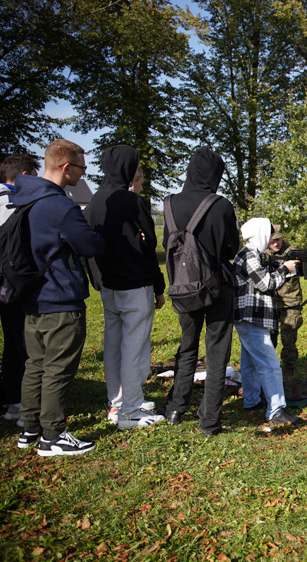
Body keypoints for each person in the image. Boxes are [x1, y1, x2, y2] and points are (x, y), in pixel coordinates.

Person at [15, 139, 105, 456]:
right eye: (81, 167)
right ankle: (53, 435)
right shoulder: (60, 206)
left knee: (35, 366)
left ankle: (29, 429)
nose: (84, 173)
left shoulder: (25, 200)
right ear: (66, 167)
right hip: (60, 300)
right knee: (58, 369)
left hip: (33, 297)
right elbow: (90, 246)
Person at [86, 146, 166, 430]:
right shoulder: (129, 200)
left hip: (109, 284)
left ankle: (118, 403)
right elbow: (150, 244)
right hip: (134, 283)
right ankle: (131, 411)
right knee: (134, 348)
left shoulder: (96, 200)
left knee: (114, 347)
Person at [160, 146, 238, 436]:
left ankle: (175, 408)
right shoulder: (221, 205)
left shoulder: (168, 203)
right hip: (218, 286)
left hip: (184, 286)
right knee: (217, 353)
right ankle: (209, 421)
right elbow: (231, 248)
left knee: (187, 346)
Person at [234, 220, 303, 426]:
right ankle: (276, 411)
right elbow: (266, 283)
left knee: (250, 364)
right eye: (268, 233)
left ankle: (251, 400)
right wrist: (284, 269)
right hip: (251, 318)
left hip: (249, 318)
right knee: (271, 365)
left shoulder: (253, 254)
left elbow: (274, 271)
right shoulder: (249, 256)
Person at [0, 154, 40, 426]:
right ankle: (25, 406)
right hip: (14, 285)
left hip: (3, 288)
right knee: (25, 347)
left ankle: (11, 399)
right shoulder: (14, 206)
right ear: (24, 176)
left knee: (11, 345)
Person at [266, 231, 307, 399]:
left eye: (277, 240)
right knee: (269, 338)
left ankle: (288, 372)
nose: (275, 244)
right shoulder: (262, 252)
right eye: (272, 241)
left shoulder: (292, 251)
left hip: (290, 302)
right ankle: (270, 371)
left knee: (289, 338)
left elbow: (299, 270)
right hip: (270, 302)